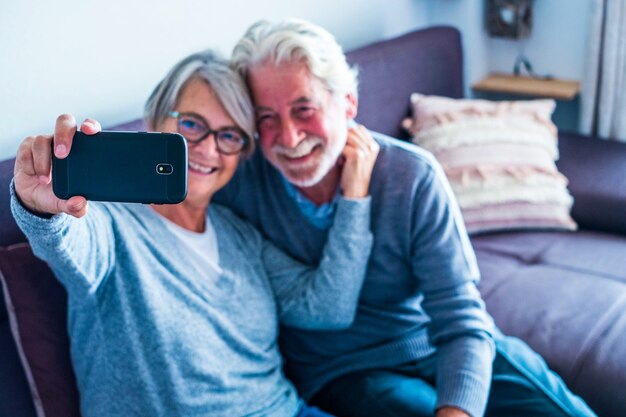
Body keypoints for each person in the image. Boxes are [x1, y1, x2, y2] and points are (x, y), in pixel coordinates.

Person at [211, 19, 599, 417]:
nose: (289, 138)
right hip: (347, 370)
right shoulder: (240, 186)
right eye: (266, 118)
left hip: (436, 340)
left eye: (303, 109)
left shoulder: (411, 176)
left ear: (348, 104)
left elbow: (462, 320)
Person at [10, 50, 380, 417]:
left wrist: (355, 196)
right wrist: (41, 205)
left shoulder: (240, 235)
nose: (206, 149)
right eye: (191, 125)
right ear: (156, 122)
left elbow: (329, 309)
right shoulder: (110, 225)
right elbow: (67, 241)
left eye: (230, 136)